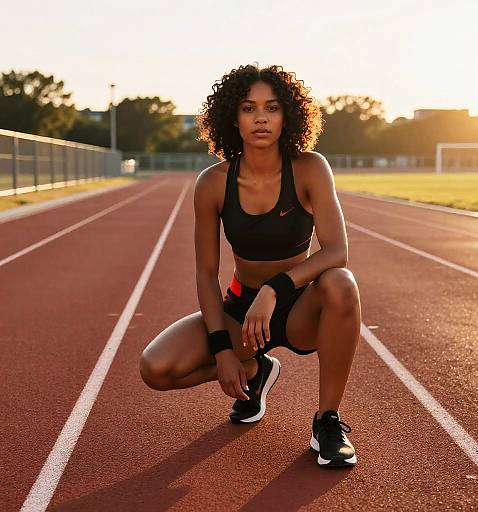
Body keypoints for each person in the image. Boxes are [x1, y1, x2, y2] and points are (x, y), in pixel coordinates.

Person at [139, 64, 361, 467]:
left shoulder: (310, 168)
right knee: (155, 369)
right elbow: (206, 274)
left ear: (287, 116)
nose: (261, 117)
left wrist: (275, 288)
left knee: (341, 283)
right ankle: (255, 371)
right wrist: (223, 350)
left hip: (298, 309)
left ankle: (328, 421)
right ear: (232, 118)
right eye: (248, 108)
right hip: (242, 316)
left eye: (272, 108)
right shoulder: (212, 184)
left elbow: (336, 251)